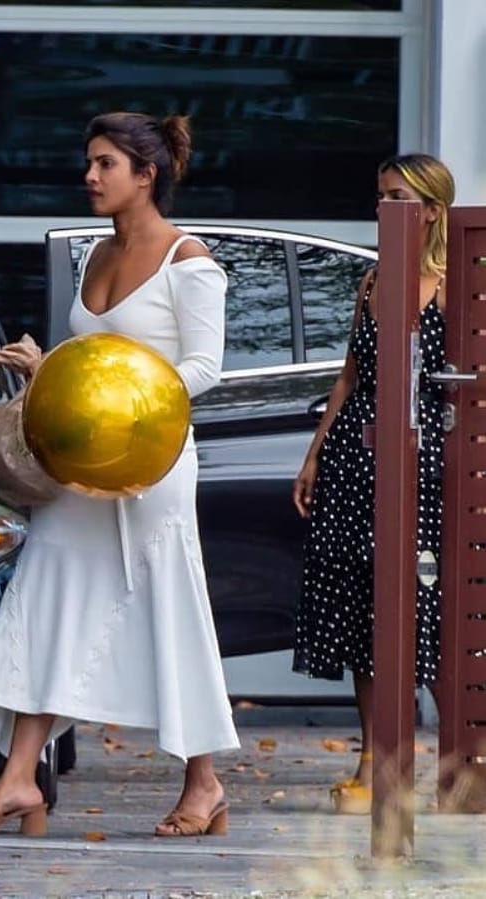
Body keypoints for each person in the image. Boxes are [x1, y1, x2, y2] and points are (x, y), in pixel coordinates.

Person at [0, 111, 240, 838]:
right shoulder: (93, 256)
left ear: (147, 174)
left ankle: (203, 782)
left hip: (154, 465)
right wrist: (44, 368)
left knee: (167, 607)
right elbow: (88, 363)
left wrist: (99, 391)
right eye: (89, 162)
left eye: (106, 163)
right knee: (46, 590)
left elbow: (205, 368)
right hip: (80, 466)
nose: (90, 176)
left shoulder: (189, 262)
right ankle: (20, 776)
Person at [292, 153, 455, 814]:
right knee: (364, 610)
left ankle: (459, 761)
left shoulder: (458, 282)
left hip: (430, 463)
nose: (383, 209)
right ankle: (373, 765)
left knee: (434, 608)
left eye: (397, 197)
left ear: (432, 210)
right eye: (380, 197)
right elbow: (349, 376)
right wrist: (313, 454)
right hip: (357, 458)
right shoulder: (373, 279)